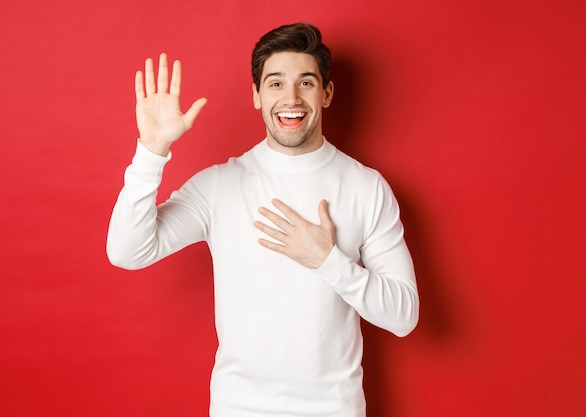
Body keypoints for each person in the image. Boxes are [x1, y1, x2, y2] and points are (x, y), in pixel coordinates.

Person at [107, 22, 419, 417]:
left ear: (326, 93)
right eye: (275, 83)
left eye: (306, 83)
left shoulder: (366, 187)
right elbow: (127, 251)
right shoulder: (219, 185)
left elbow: (404, 316)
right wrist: (152, 152)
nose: (291, 97)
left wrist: (328, 260)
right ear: (256, 95)